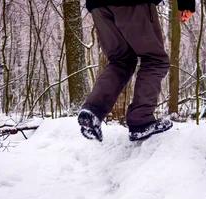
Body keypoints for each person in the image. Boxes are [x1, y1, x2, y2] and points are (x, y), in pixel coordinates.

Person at [78, 0, 196, 142]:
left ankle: (93, 112)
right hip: (134, 4)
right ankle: (141, 120)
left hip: (98, 6)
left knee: (120, 60)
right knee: (155, 60)